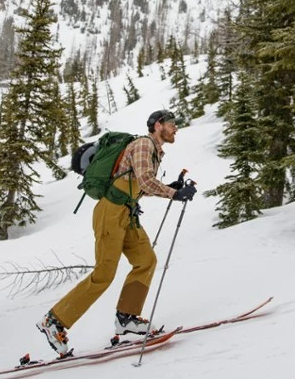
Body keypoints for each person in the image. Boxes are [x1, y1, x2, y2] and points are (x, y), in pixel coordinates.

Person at [36, 109, 197, 356]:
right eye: (172, 123)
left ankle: (127, 317)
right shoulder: (144, 144)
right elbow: (145, 181)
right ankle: (53, 321)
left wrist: (170, 187)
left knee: (146, 261)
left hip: (126, 213)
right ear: (158, 125)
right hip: (110, 213)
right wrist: (174, 194)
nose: (176, 128)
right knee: (104, 274)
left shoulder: (154, 150)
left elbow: (139, 184)